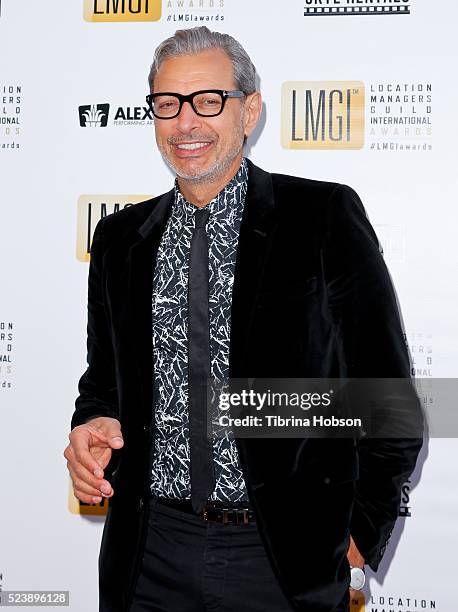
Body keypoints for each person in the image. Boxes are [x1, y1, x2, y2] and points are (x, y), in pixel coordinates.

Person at [64, 26, 423, 612]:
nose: (186, 123)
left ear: (249, 110)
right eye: (167, 104)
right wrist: (94, 425)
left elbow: (389, 398)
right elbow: (103, 382)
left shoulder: (322, 217)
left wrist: (359, 535)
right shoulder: (119, 240)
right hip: (149, 554)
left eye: (209, 101)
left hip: (282, 559)